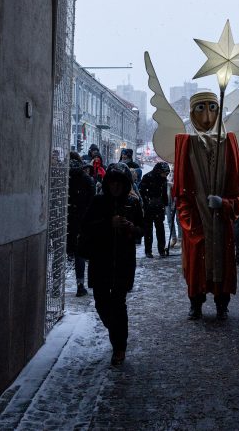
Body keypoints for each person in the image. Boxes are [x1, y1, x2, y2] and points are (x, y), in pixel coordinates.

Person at [173, 91, 239, 320]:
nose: (206, 117)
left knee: (222, 261)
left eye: (213, 108)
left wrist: (224, 204)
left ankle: (221, 303)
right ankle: (196, 302)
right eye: (200, 109)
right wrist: (190, 221)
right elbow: (181, 192)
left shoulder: (229, 142)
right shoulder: (185, 143)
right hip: (197, 222)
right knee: (197, 263)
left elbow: (238, 192)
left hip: (220, 223)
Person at [78, 163, 144, 365]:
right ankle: (114, 330)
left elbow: (142, 230)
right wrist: (108, 224)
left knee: (119, 303)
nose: (115, 187)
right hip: (101, 260)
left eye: (119, 183)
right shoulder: (98, 202)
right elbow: (86, 227)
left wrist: (132, 228)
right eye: (112, 183)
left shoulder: (132, 203)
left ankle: (119, 347)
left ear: (125, 185)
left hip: (123, 261)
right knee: (101, 302)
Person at [67, 155, 96, 297]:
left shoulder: (62, 177)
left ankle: (54, 285)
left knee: (58, 254)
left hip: (64, 221)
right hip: (81, 222)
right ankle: (80, 285)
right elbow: (92, 204)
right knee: (80, 255)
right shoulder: (87, 180)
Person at [139, 162, 171, 258]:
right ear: (159, 171)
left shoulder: (163, 179)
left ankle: (161, 250)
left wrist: (165, 203)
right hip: (149, 207)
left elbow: (164, 192)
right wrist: (146, 203)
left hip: (159, 207)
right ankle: (148, 251)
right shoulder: (147, 177)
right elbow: (142, 192)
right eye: (164, 173)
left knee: (160, 229)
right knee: (148, 229)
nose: (165, 175)